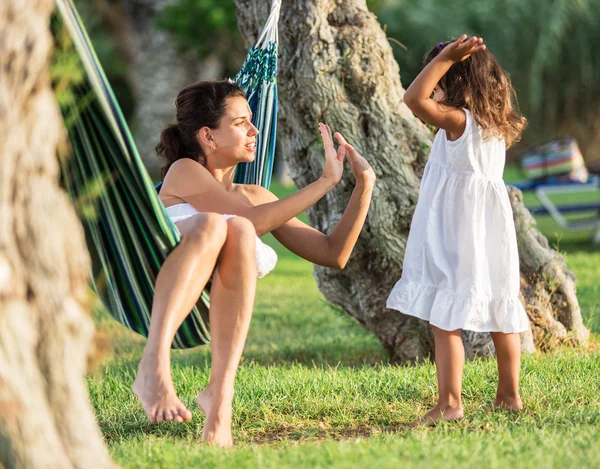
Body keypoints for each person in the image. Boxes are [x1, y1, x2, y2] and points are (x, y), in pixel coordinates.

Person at [135, 80, 376, 447]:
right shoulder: (183, 171)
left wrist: (364, 187)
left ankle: (219, 399)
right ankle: (153, 363)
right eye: (240, 123)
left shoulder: (255, 197)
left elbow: (333, 253)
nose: (254, 129)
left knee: (241, 232)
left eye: (251, 120)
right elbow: (249, 219)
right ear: (208, 137)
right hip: (162, 284)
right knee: (222, 224)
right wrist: (325, 181)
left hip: (215, 294)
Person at [386, 35, 529, 425]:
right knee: (501, 308)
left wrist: (445, 57)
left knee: (444, 316)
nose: (434, 86)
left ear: (458, 81)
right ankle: (509, 396)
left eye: (441, 77)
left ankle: (450, 404)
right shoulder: (492, 126)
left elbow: (413, 100)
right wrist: (448, 61)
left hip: (455, 230)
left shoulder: (458, 121)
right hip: (490, 232)